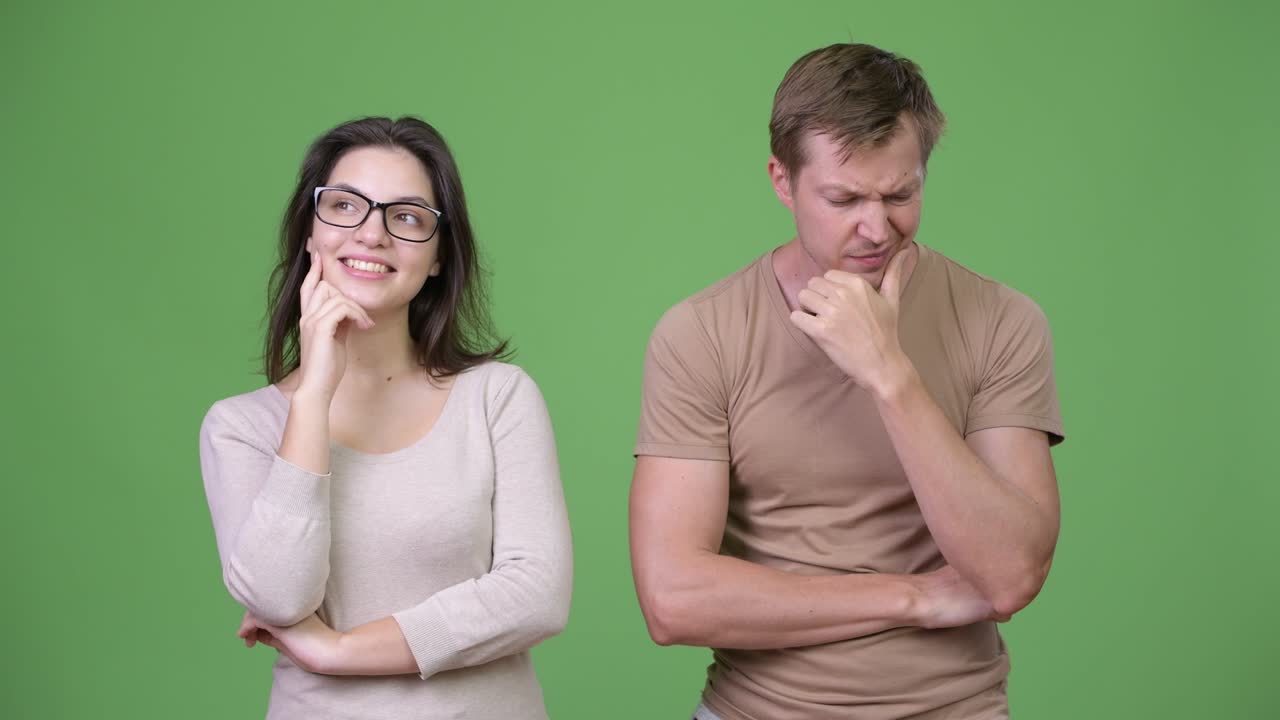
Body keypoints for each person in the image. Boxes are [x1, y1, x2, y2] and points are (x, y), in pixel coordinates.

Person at [630, 43, 1064, 720]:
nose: (876, 227)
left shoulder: (1001, 320)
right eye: (844, 198)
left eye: (901, 194)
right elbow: (672, 599)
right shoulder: (701, 334)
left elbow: (1009, 575)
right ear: (783, 180)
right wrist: (912, 598)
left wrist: (890, 375)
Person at [199, 116, 572, 720]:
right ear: (309, 235)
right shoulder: (239, 427)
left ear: (437, 258)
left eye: (405, 216)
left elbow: (537, 597)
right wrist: (315, 394)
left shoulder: (498, 398)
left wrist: (339, 650)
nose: (371, 233)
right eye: (344, 206)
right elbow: (278, 594)